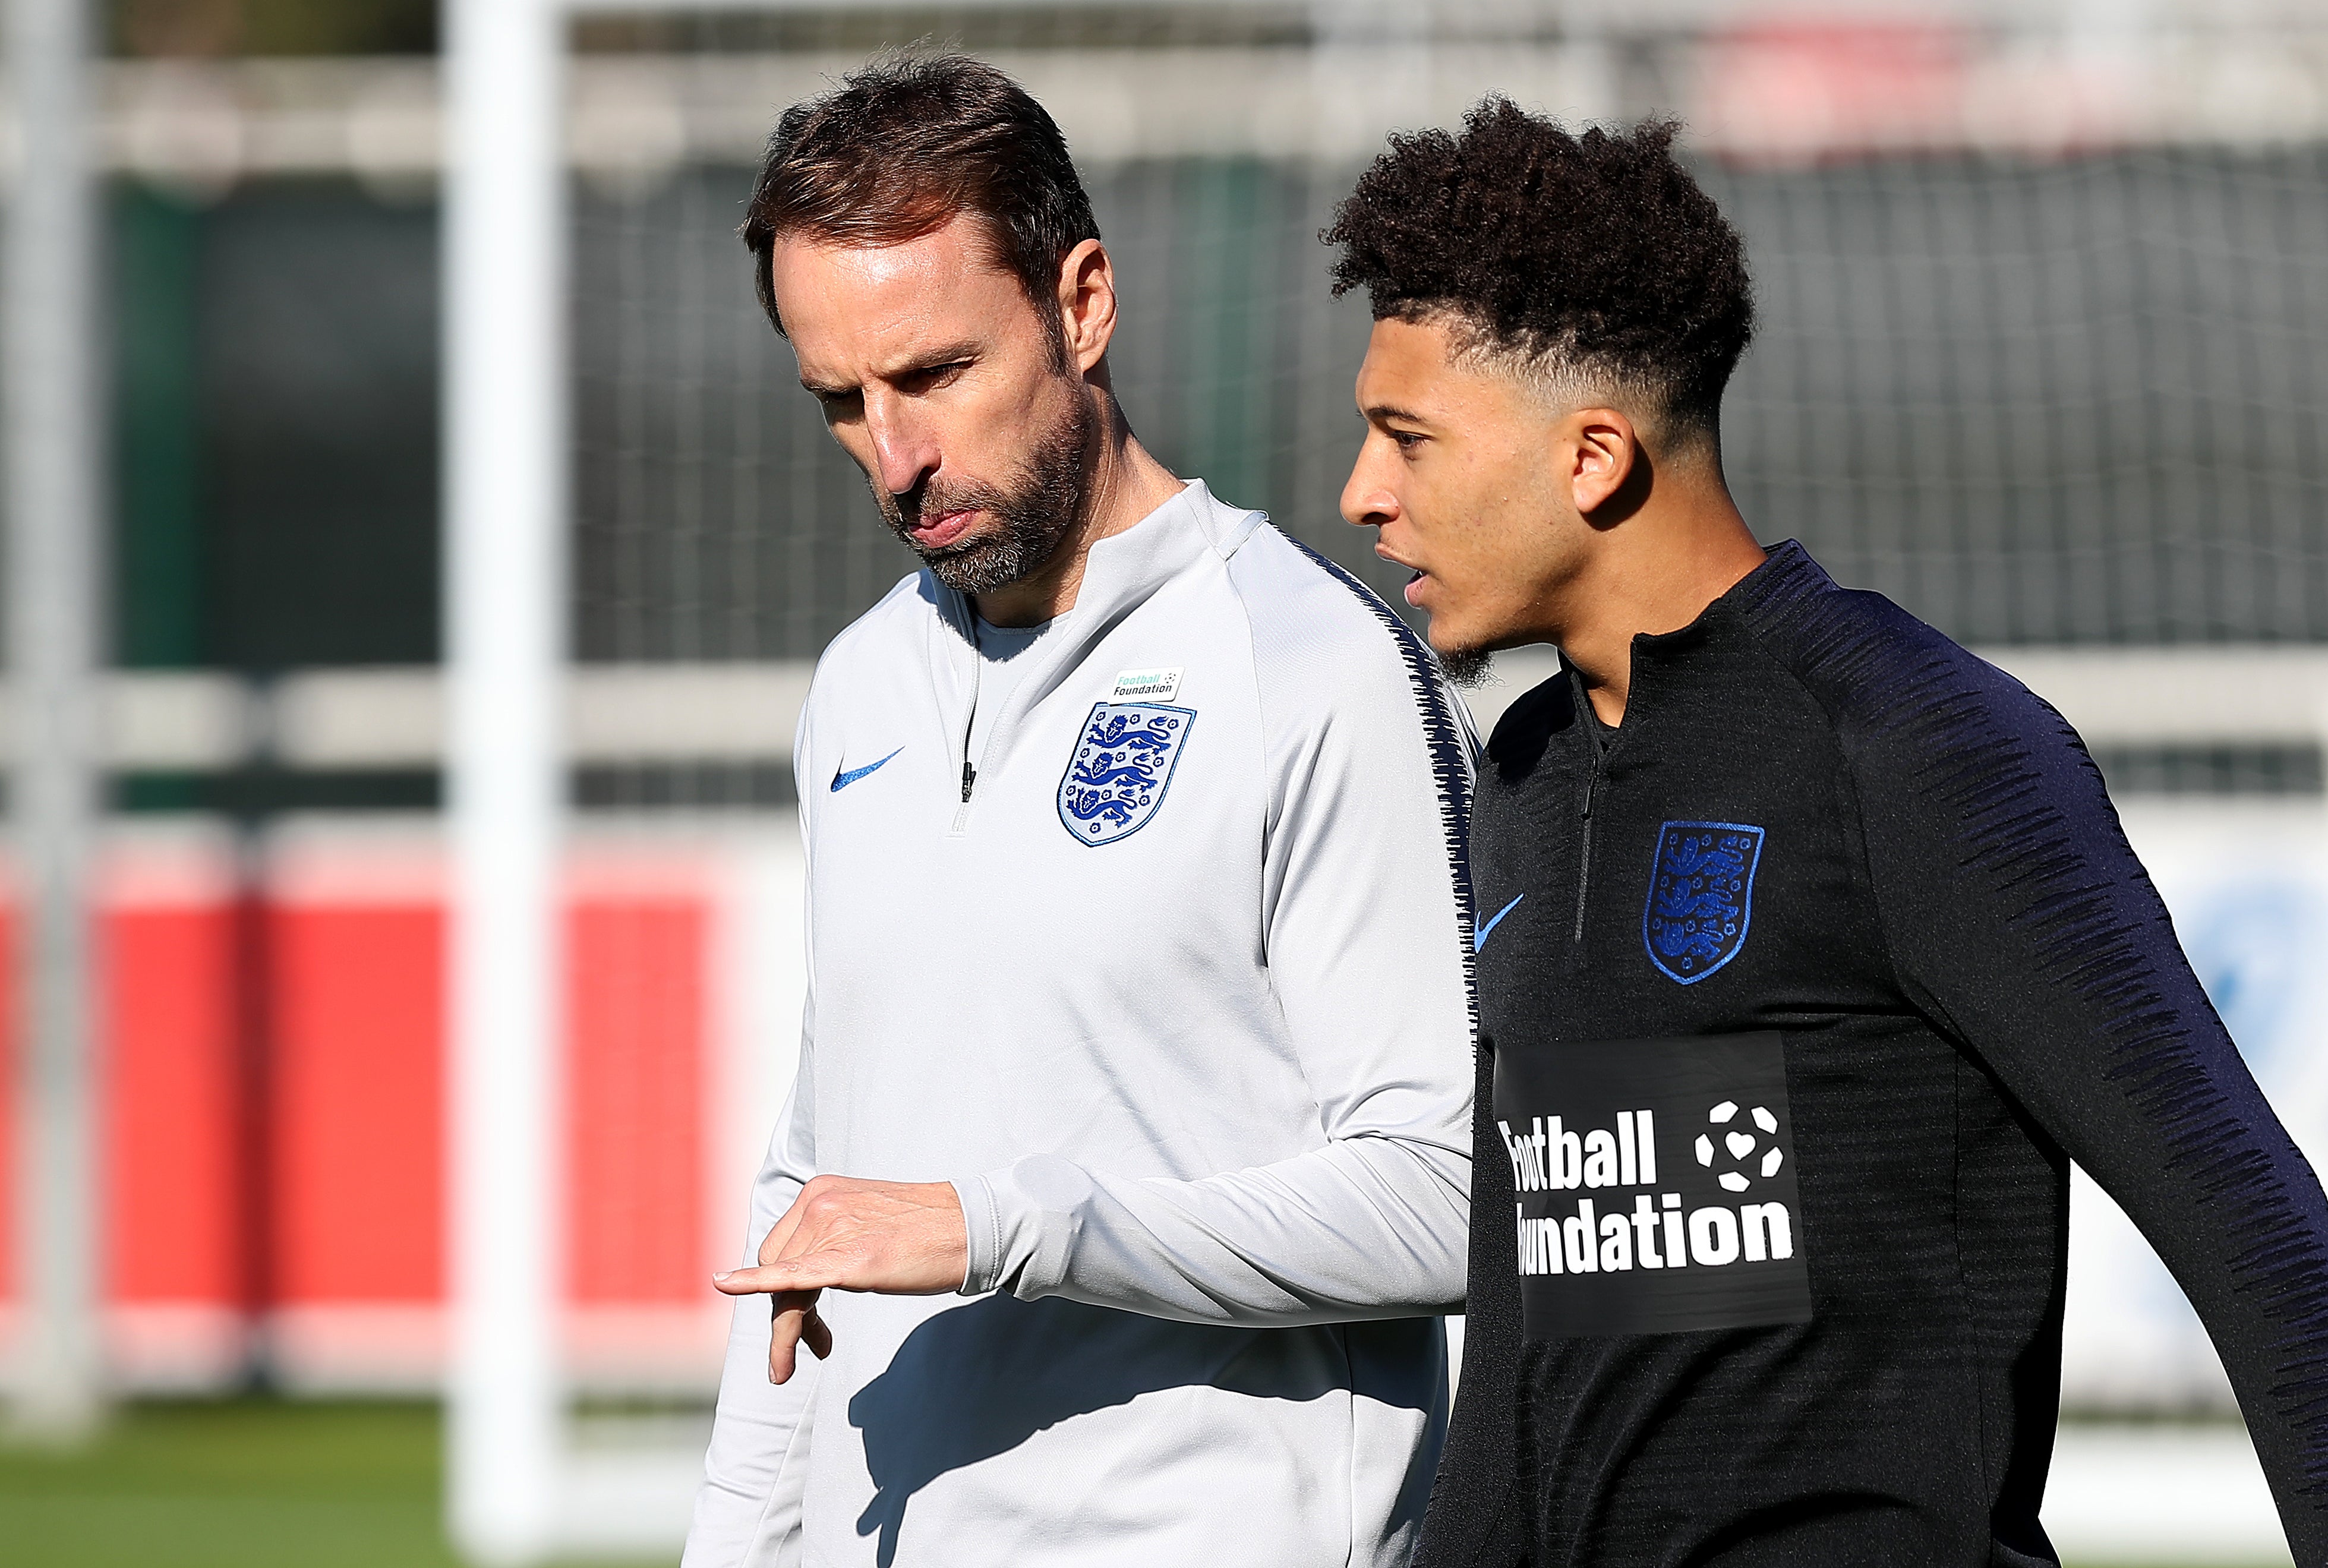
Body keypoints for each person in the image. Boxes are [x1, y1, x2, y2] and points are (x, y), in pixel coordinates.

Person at [1327, 100, 2328, 1567]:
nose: (1364, 492)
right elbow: (1534, 1329)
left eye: (1407, 439)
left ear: (1593, 456)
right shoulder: (1528, 776)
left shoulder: (1914, 746)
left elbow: (2259, 1241)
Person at [682, 53, 1477, 1568]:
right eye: (841, 402)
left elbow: (1447, 1200)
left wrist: (1011, 1229)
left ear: (1084, 303)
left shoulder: (1309, 669)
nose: (895, 457)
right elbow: (816, 1196)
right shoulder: (859, 688)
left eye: (933, 375)